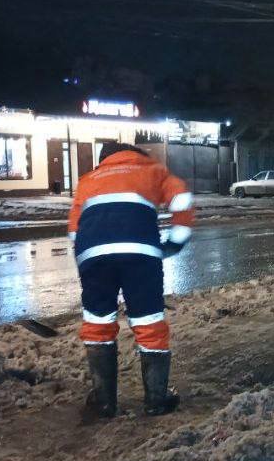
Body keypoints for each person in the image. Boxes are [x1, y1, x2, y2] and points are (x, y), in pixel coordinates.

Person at [67, 141, 195, 421]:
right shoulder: (152, 170)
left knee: (98, 323)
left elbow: (75, 231)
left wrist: (88, 263)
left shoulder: (88, 179)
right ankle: (156, 400)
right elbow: (182, 198)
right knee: (148, 322)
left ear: (104, 160)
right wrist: (175, 243)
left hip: (93, 256)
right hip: (140, 255)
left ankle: (103, 403)